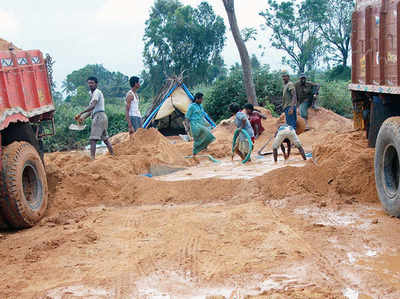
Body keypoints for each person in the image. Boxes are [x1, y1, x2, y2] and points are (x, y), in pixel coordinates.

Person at [76, 76, 114, 160]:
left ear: (96, 84)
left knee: (93, 139)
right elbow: (91, 110)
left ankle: (92, 159)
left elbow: (92, 106)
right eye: (89, 83)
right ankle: (113, 155)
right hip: (101, 116)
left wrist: (81, 113)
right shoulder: (92, 94)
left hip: (99, 117)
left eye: (92, 83)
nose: (90, 85)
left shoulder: (96, 92)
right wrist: (83, 117)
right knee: (105, 139)